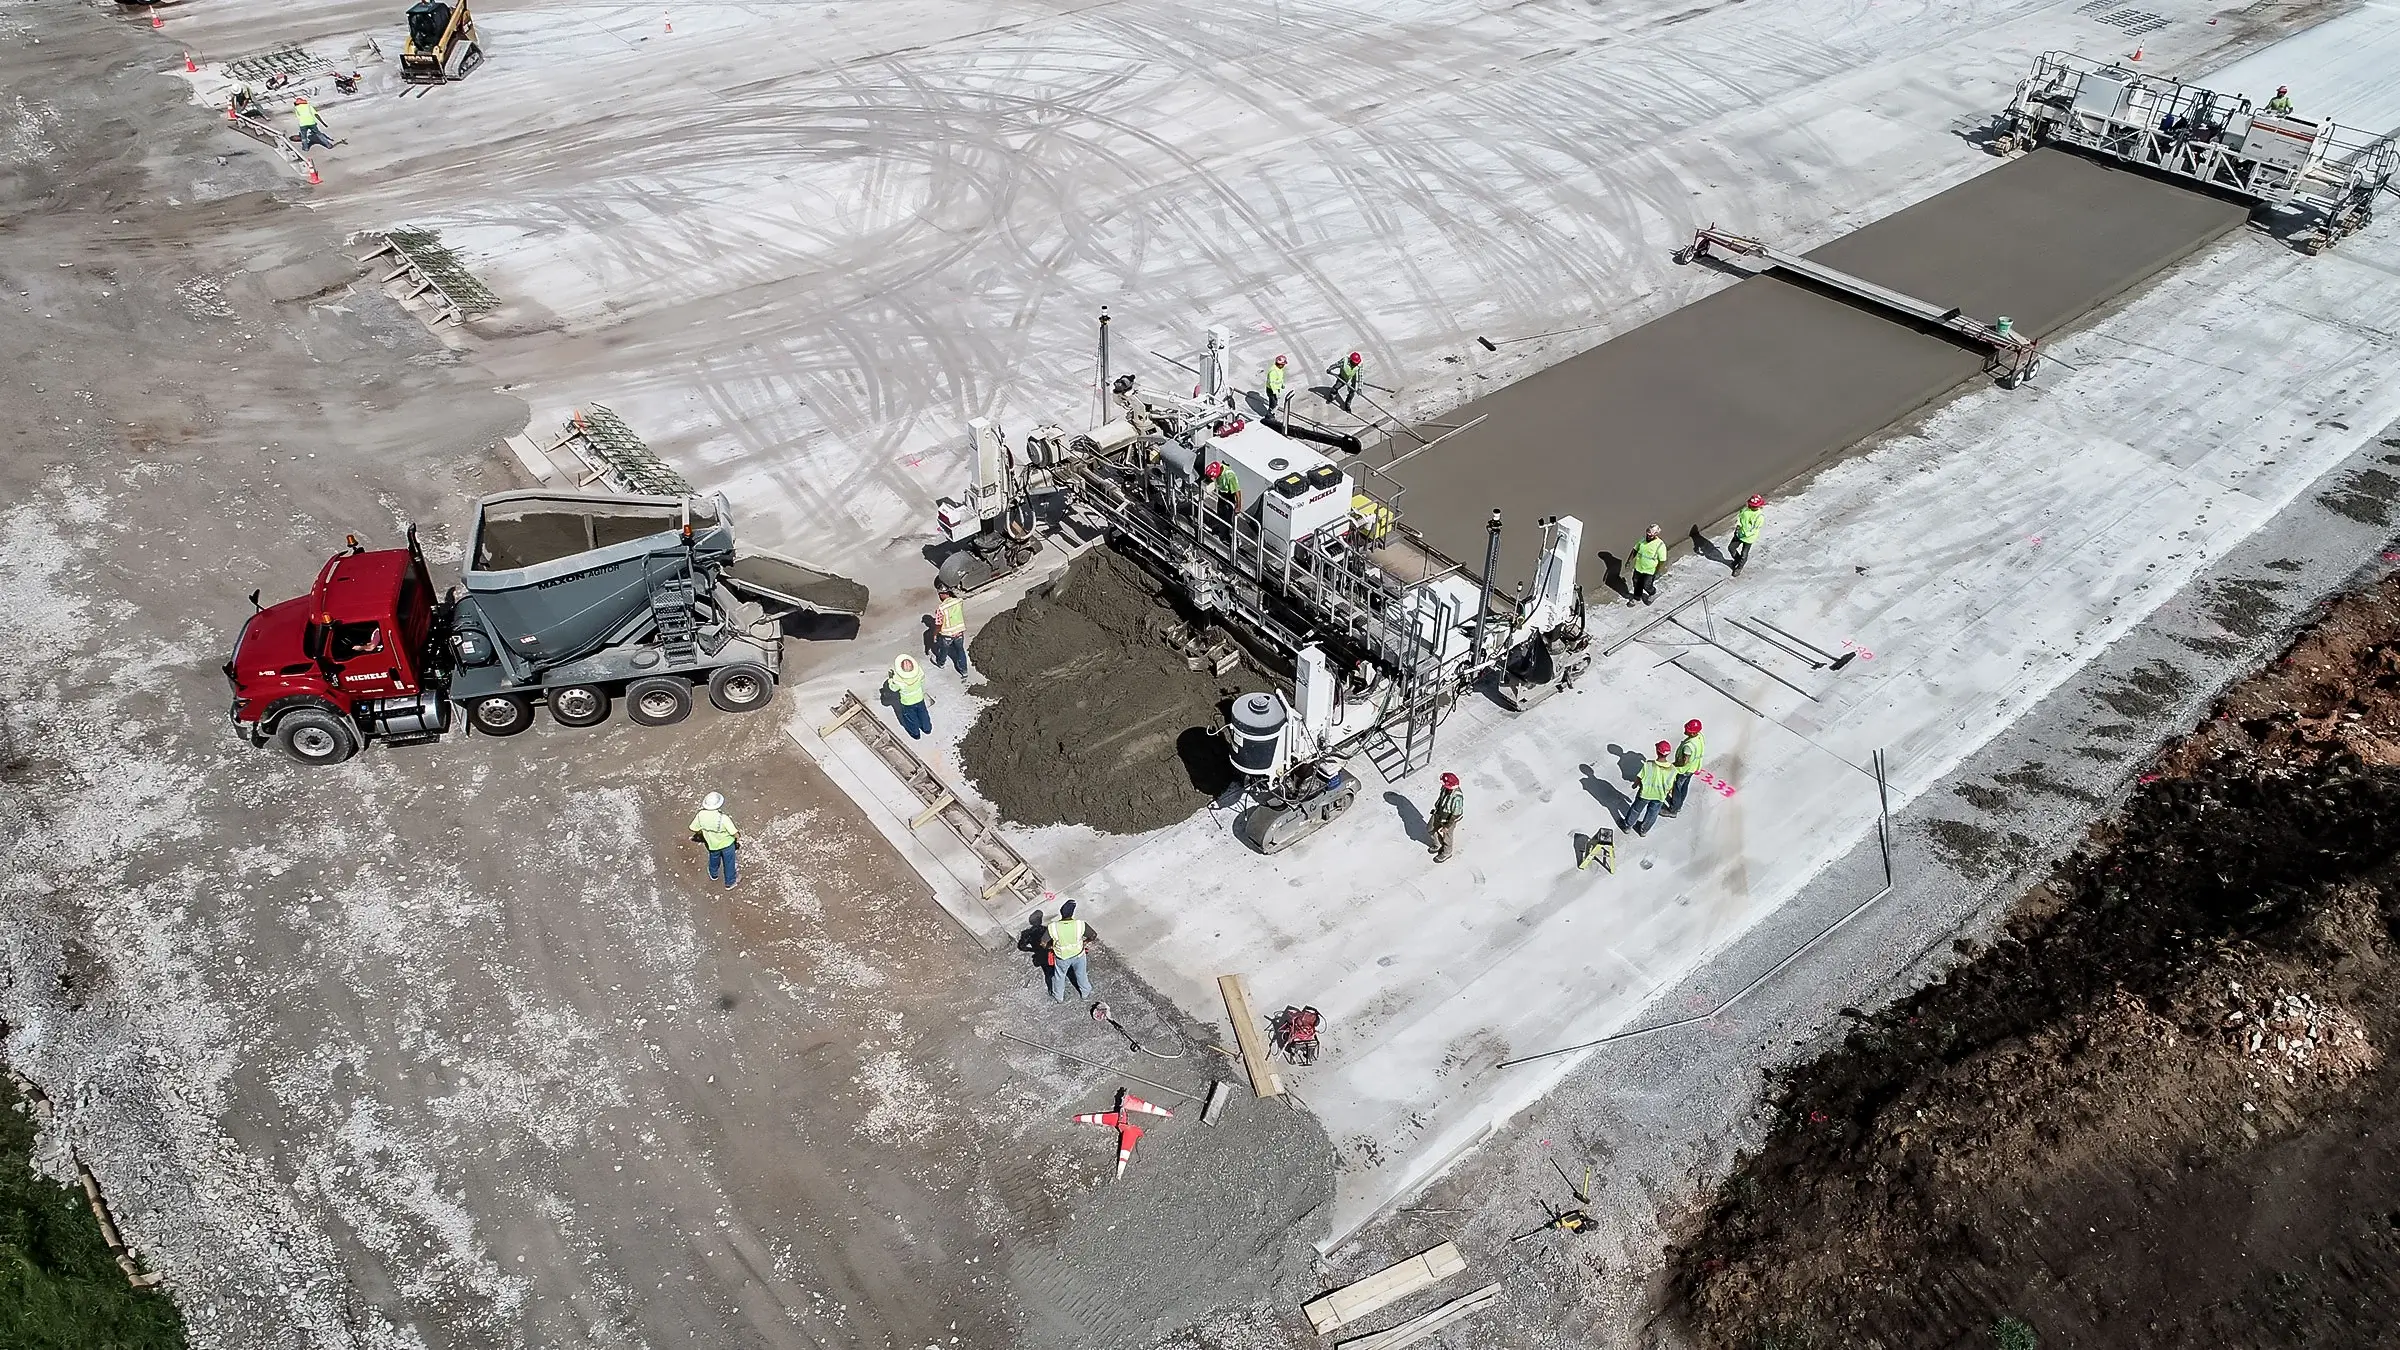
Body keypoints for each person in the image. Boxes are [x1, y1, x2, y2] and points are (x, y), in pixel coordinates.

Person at [1045, 899, 1097, 1002]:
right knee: (1081, 974)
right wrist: (1084, 942)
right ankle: (1085, 993)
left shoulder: (1053, 927)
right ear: (1072, 913)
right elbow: (1093, 935)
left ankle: (1059, 997)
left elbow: (1043, 943)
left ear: (1061, 913)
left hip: (1062, 957)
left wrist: (1050, 947)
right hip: (1079, 955)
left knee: (1059, 976)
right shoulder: (1080, 924)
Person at [1623, 741, 1675, 837]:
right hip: (1660, 796)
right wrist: (1669, 793)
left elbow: (1640, 777)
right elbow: (1670, 785)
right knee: (1653, 813)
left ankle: (1627, 826)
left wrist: (1635, 785)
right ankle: (1643, 830)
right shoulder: (1672, 769)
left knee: (1636, 809)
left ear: (1657, 751)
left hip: (1645, 793)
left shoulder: (1649, 765)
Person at [688, 791, 739, 888]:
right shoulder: (724, 818)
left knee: (713, 858)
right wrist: (738, 838)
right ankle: (730, 882)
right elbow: (734, 833)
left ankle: (713, 874)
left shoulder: (700, 815)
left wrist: (702, 832)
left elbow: (693, 828)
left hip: (712, 844)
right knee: (729, 863)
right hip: (727, 844)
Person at [886, 654, 931, 738]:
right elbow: (922, 682)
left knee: (911, 719)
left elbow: (893, 688)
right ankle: (927, 729)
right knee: (923, 714)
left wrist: (890, 680)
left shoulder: (898, 680)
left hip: (907, 703)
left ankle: (915, 733)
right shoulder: (919, 673)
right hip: (919, 698)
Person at [1666, 719, 1705, 816]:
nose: (1685, 730)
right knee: (1684, 787)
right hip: (1692, 768)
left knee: (1677, 788)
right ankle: (1679, 805)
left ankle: (1673, 809)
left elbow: (1684, 761)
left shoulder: (1689, 746)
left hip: (1683, 770)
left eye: (1687, 729)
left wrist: (1674, 765)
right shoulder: (1699, 737)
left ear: (1692, 733)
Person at [1427, 772, 1464, 861]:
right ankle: (1438, 844)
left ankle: (1447, 853)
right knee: (1430, 828)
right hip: (1438, 813)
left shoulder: (1457, 797)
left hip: (1449, 819)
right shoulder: (1444, 788)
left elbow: (1457, 814)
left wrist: (1447, 826)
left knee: (1447, 837)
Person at [933, 585, 969, 676]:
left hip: (947, 635)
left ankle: (941, 663)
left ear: (941, 594)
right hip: (959, 632)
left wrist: (935, 634)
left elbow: (938, 624)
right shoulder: (958, 602)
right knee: (960, 650)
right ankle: (964, 671)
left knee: (944, 649)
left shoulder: (941, 608)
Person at [1627, 524, 1667, 605]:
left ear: (1655, 534)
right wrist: (1629, 561)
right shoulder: (1642, 540)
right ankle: (1637, 597)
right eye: (1647, 535)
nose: (1648, 537)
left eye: (1650, 536)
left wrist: (1657, 571)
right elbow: (1635, 550)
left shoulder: (1660, 545)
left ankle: (1653, 593)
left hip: (1650, 570)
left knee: (1646, 585)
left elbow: (1662, 560)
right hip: (1639, 568)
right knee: (1636, 582)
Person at [1729, 495, 1763, 576]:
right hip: (1739, 534)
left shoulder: (1759, 517)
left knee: (1744, 554)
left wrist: (1745, 533)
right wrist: (1738, 526)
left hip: (1749, 538)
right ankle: (1737, 559)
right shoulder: (1745, 510)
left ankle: (1739, 568)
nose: (1752, 507)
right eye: (1751, 505)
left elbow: (1754, 529)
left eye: (1754, 506)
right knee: (1731, 548)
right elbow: (1740, 518)